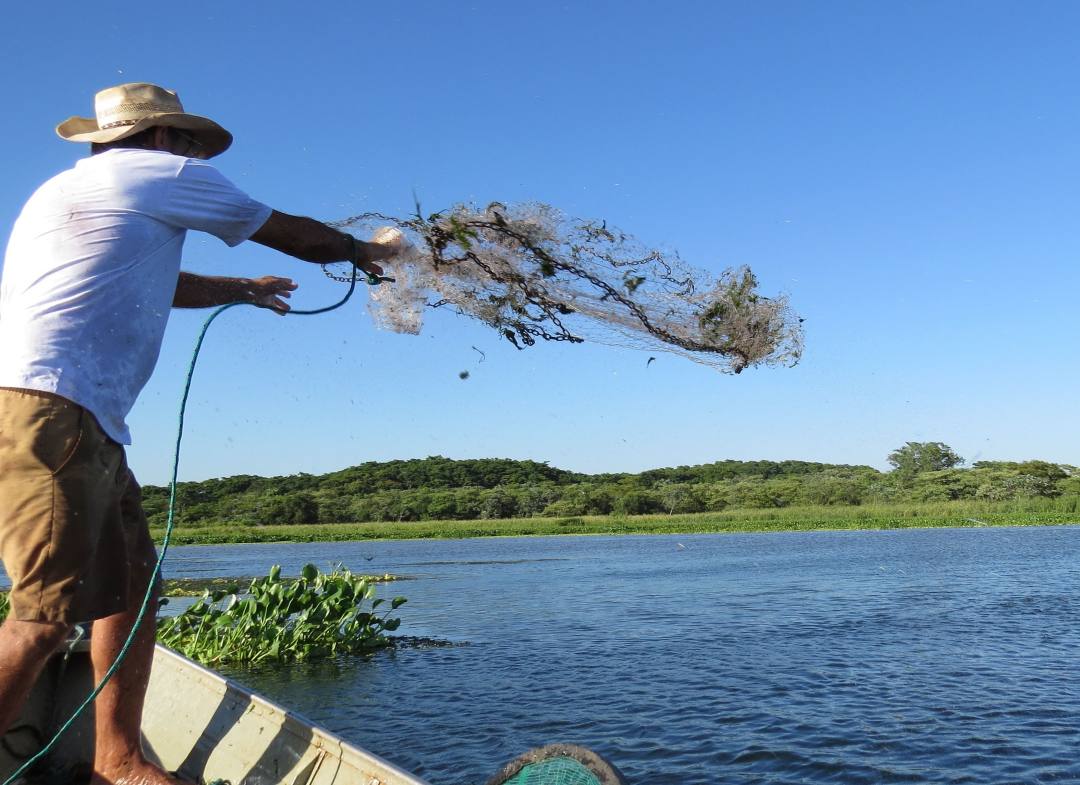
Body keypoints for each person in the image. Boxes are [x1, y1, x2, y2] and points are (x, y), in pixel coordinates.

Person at [0, 82, 401, 785]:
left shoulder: (78, 190)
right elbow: (293, 232)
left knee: (132, 586)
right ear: (160, 138)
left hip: (75, 416)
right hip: (50, 408)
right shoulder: (160, 172)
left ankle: (116, 760)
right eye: (187, 140)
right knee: (42, 618)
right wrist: (363, 249)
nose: (194, 153)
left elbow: (162, 283)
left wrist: (241, 289)